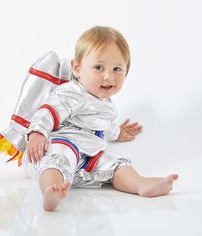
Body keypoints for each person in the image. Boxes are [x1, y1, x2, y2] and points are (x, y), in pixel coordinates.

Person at [24, 26, 179, 211]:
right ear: (77, 68)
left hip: (90, 153)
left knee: (114, 164)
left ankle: (140, 184)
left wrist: (118, 132)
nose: (108, 76)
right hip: (62, 143)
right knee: (58, 160)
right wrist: (37, 133)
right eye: (99, 67)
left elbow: (102, 125)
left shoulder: (106, 103)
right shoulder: (72, 92)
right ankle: (50, 190)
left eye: (117, 69)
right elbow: (48, 111)